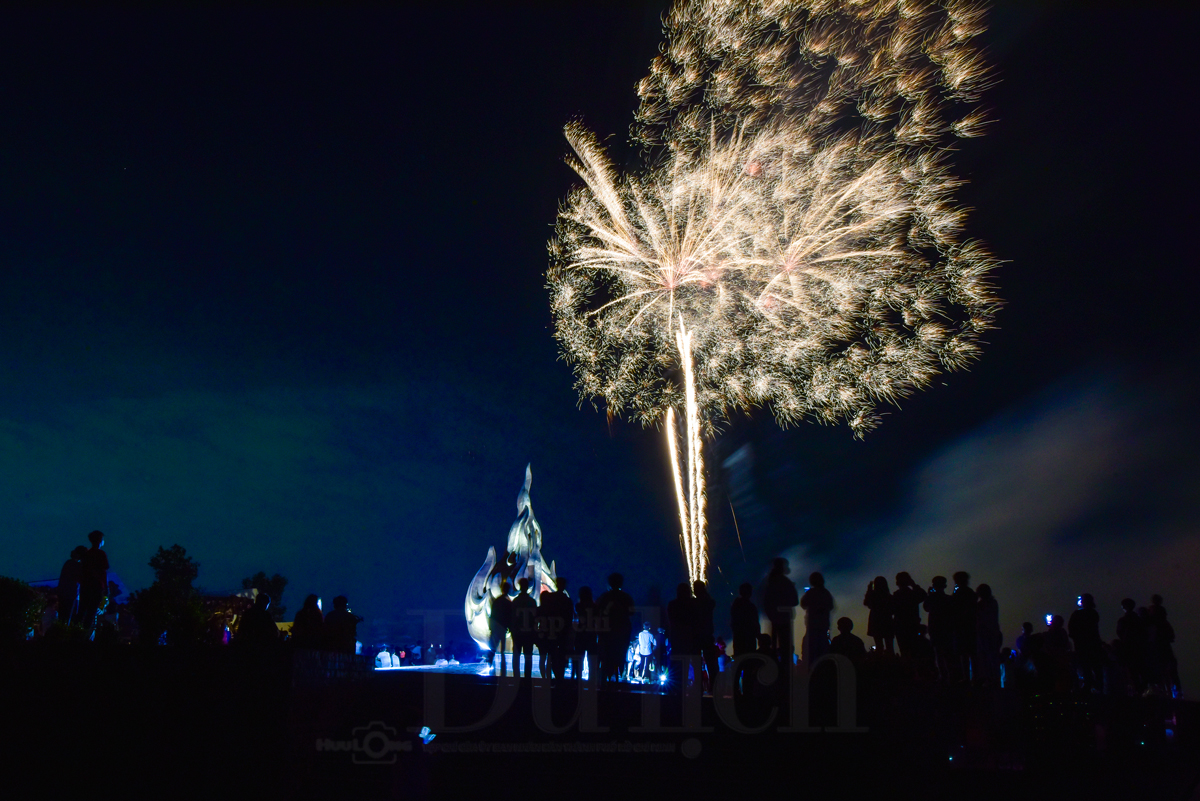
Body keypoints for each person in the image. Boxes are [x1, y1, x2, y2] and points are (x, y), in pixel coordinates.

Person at [596, 573, 634, 682]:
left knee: (606, 657)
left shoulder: (604, 597)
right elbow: (632, 612)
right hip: (622, 632)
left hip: (606, 632)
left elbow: (596, 611)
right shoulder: (626, 597)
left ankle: (604, 679)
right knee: (619, 655)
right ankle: (616, 677)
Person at [765, 558, 800, 664]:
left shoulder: (770, 582)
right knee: (785, 648)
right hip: (784, 619)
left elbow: (767, 601)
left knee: (775, 645)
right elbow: (794, 601)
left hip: (774, 618)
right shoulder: (785, 582)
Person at [539, 577, 573, 680]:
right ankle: (559, 679)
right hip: (561, 635)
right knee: (559, 658)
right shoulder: (567, 600)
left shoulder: (550, 598)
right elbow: (569, 619)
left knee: (549, 657)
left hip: (549, 633)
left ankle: (547, 680)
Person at [77, 531, 110, 637]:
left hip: (85, 586)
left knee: (82, 610)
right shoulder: (101, 554)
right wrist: (106, 588)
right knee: (91, 611)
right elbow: (103, 571)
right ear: (100, 540)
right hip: (96, 586)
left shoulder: (87, 554)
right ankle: (85, 634)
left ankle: (76, 633)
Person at [1068, 593, 1103, 693]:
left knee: (1086, 666)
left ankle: (1088, 686)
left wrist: (1077, 638)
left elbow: (1071, 630)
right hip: (1094, 644)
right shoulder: (1093, 613)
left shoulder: (1077, 614)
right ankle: (1099, 686)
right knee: (1096, 667)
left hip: (1082, 645)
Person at [667, 582, 699, 686]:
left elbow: (671, 621)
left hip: (677, 639)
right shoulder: (693, 605)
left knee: (677, 665)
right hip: (690, 639)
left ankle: (676, 688)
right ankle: (694, 688)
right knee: (691, 664)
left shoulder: (672, 605)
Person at [799, 571, 832, 665]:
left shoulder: (811, 593)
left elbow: (803, 604)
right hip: (823, 625)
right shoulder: (826, 593)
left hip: (812, 626)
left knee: (811, 649)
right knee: (822, 648)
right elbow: (830, 606)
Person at [891, 572, 927, 658]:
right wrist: (914, 585)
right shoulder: (913, 594)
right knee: (914, 652)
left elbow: (892, 610)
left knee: (904, 652)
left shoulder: (896, 596)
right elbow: (923, 595)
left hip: (900, 627)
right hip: (912, 626)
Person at [1115, 598, 1146, 694]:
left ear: (1124, 607)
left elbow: (1119, 632)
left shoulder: (1123, 620)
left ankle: (1137, 691)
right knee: (1141, 670)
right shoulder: (1139, 620)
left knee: (1132, 671)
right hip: (1140, 648)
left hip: (1129, 648)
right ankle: (1143, 690)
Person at [950, 572, 977, 682]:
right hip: (970, 626)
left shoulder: (958, 593)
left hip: (961, 627)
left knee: (963, 654)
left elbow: (952, 608)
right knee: (972, 653)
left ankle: (966, 677)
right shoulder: (970, 593)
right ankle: (975, 677)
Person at [693, 580, 719, 691]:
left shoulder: (695, 603)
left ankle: (699, 688)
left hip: (698, 636)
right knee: (711, 664)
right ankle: (714, 688)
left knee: (697, 663)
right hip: (707, 635)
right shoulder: (708, 602)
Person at [925, 576, 952, 681]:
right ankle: (950, 674)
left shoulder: (932, 598)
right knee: (947, 653)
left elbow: (926, 608)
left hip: (935, 628)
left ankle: (943, 675)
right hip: (946, 628)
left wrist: (929, 595)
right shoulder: (948, 599)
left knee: (938, 653)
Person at [975, 584, 1002, 686]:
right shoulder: (993, 603)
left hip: (985, 634)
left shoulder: (981, 605)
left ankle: (988, 679)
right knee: (992, 658)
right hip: (993, 633)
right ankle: (994, 679)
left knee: (985, 658)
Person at [510, 578, 537, 679]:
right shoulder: (532, 602)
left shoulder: (515, 602)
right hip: (529, 634)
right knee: (528, 657)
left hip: (518, 633)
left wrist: (513, 631)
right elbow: (535, 619)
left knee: (516, 656)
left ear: (520, 587)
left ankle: (516, 677)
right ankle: (527, 678)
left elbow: (512, 618)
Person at [56, 546, 88, 625]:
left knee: (63, 618)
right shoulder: (76, 565)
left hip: (65, 595)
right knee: (69, 619)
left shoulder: (69, 563)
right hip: (71, 595)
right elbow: (82, 579)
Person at [863, 576, 895, 655]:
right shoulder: (889, 597)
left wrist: (869, 590)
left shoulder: (873, 596)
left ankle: (880, 660)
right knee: (890, 646)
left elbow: (866, 603)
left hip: (876, 621)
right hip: (887, 622)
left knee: (879, 646)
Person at [572, 586, 597, 681]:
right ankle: (592, 679)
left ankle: (578, 678)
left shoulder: (578, 606)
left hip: (581, 633)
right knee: (592, 658)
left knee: (579, 657)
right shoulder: (594, 606)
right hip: (591, 633)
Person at [490, 580, 514, 677]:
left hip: (496, 626)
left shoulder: (497, 601)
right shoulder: (508, 602)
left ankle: (491, 664)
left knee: (494, 646)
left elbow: (492, 614)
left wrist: (491, 627)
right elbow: (510, 616)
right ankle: (502, 669)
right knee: (502, 649)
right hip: (503, 627)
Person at [730, 582, 760, 658]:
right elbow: (755, 623)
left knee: (740, 659)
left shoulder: (735, 606)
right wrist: (758, 636)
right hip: (749, 639)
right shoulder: (751, 607)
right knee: (749, 659)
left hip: (738, 638)